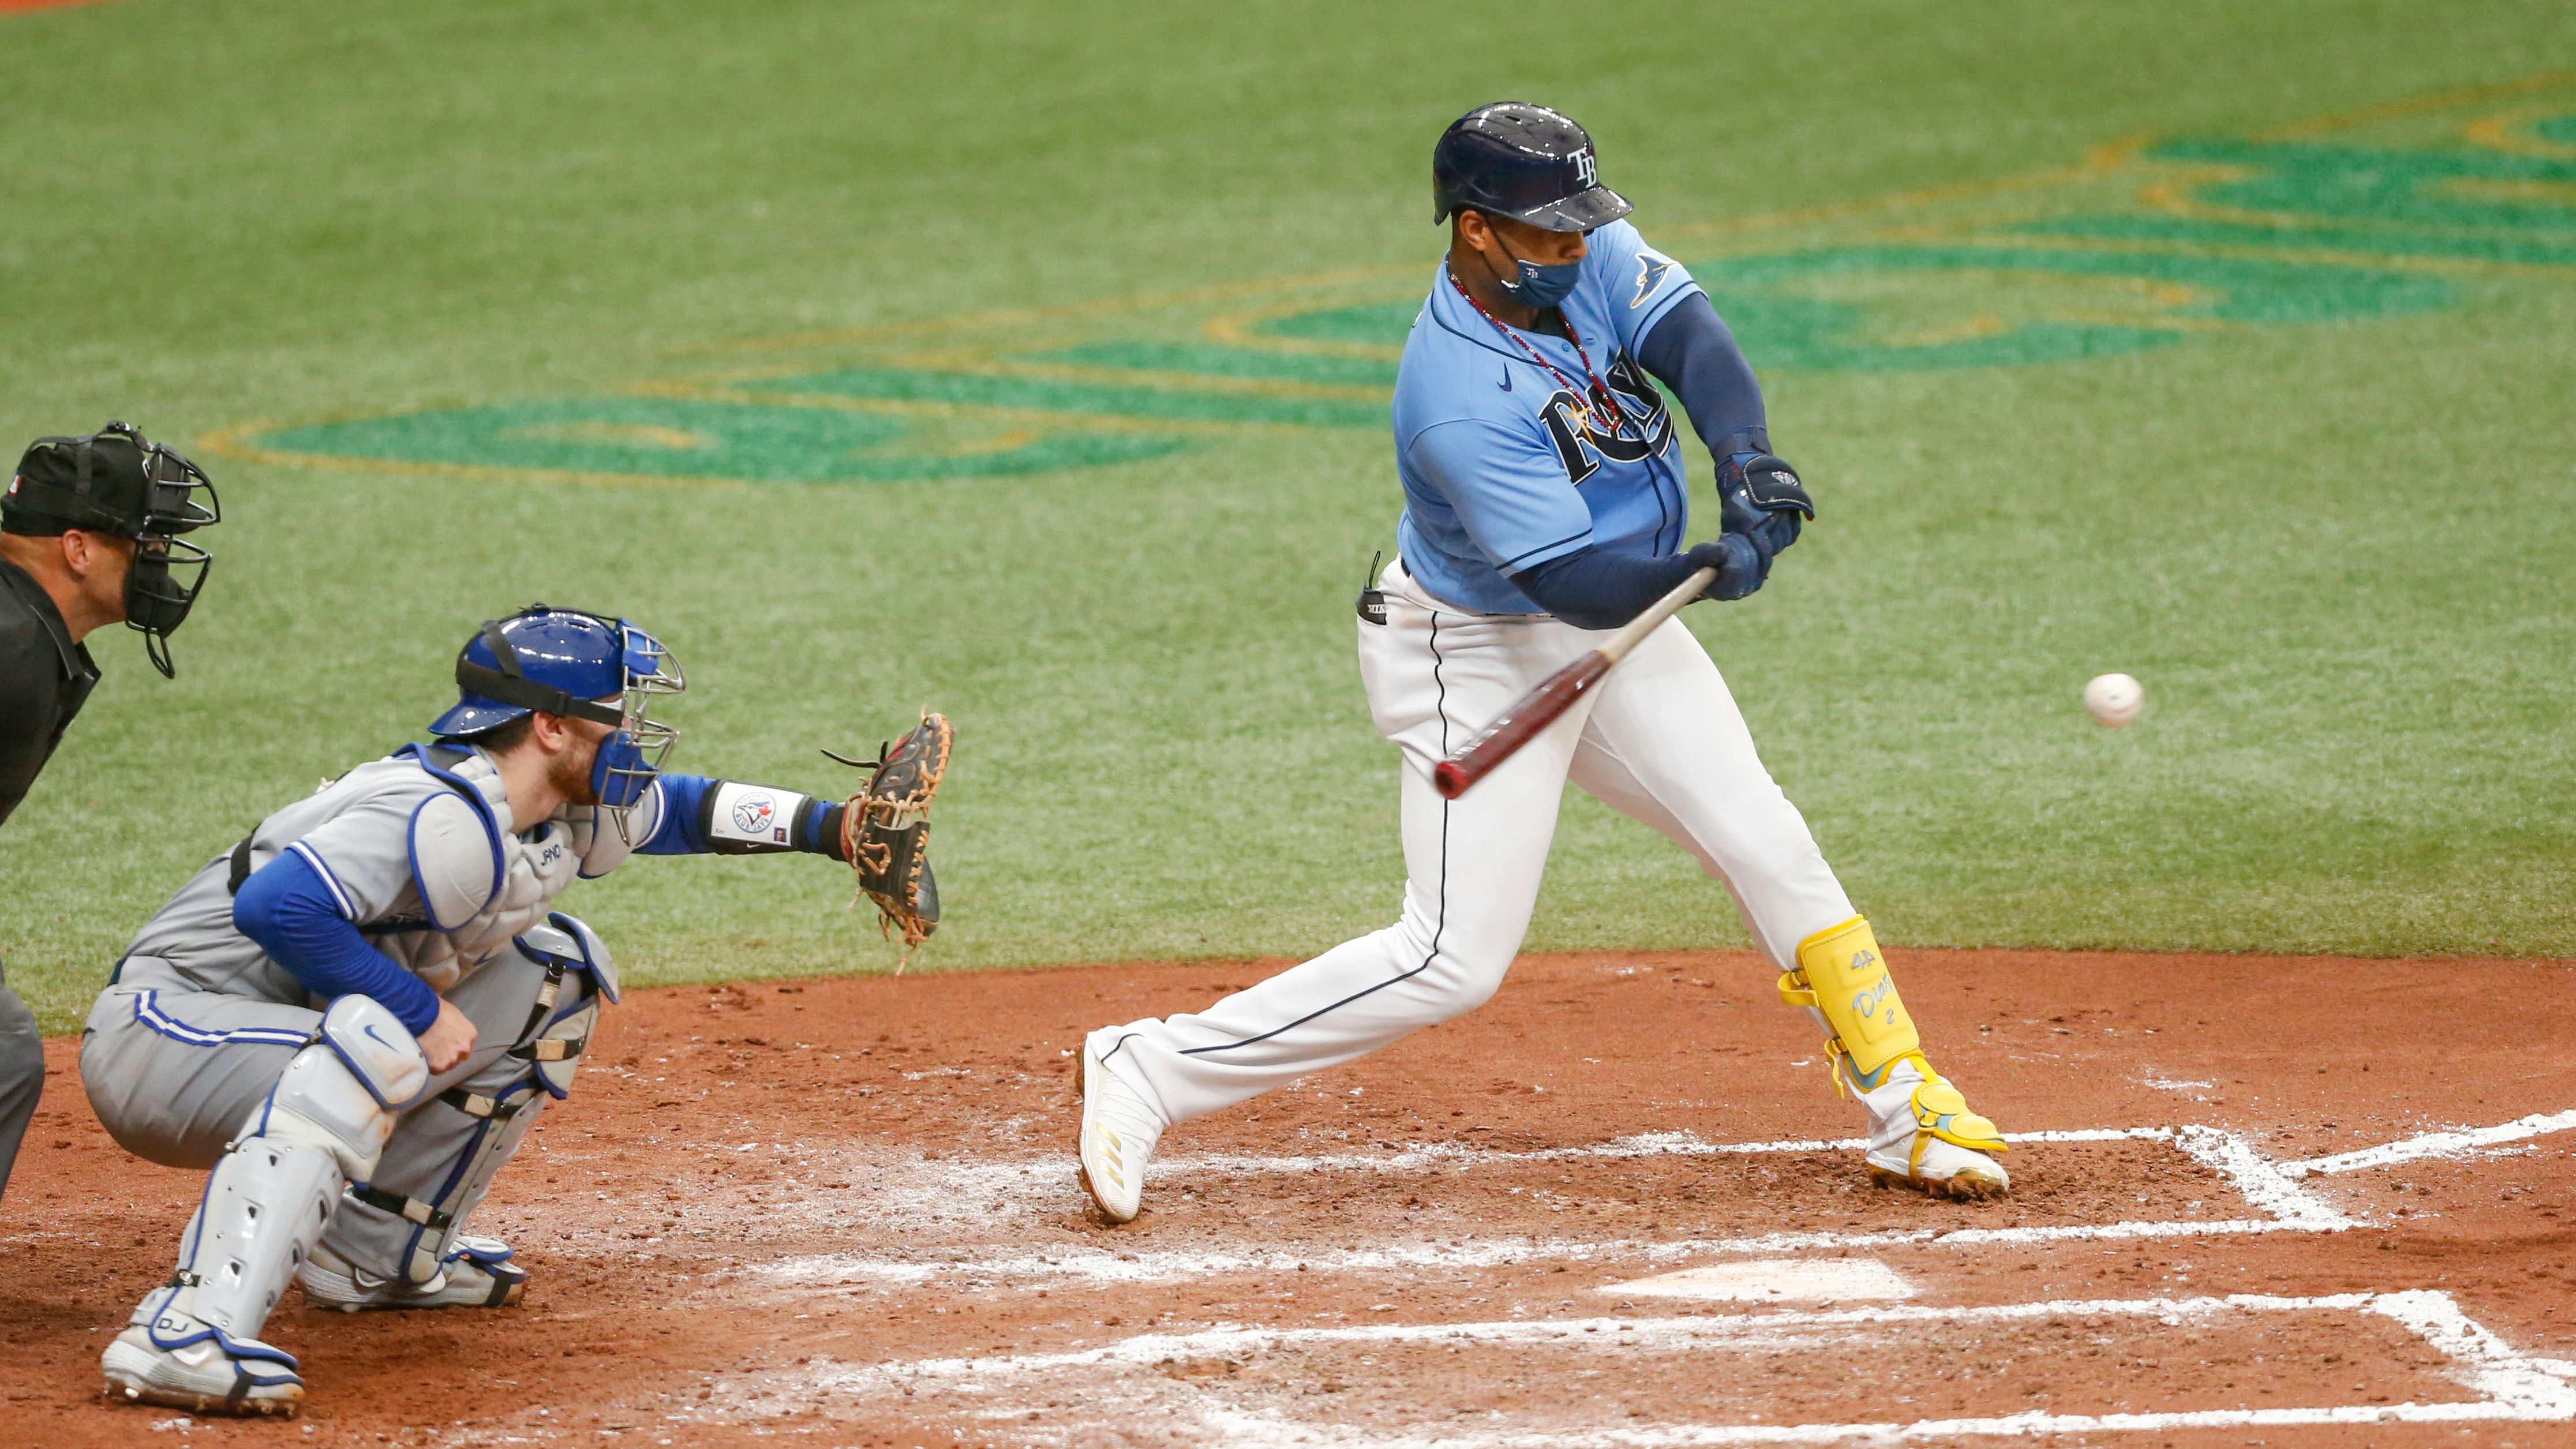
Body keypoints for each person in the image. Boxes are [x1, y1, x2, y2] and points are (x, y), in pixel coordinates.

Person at [1073, 102, 2008, 1225]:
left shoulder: (1576, 249)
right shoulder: (1452, 399)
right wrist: (1712, 564)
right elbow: (1566, 579)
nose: (1579, 246)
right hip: (1474, 647)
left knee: (1763, 833)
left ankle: (1905, 1097)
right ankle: (1147, 1064)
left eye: (1582, 227)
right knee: (1450, 959)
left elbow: (1692, 340)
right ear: (1476, 231)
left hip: (1615, 614)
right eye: (1549, 233)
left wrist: (1747, 459)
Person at [84, 605, 949, 1416]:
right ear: (550, 726)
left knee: (557, 972)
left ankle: (374, 1255)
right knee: (377, 1034)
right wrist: (415, 1005)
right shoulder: (423, 807)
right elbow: (276, 907)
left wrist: (836, 827)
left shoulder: (555, 806)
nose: (633, 730)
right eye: (616, 711)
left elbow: (682, 809)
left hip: (278, 1043)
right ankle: (187, 1333)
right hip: (167, 1036)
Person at [0, 422, 222, 1209]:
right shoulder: (13, 653)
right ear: (78, 549)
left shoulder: (25, 630)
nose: (162, 564)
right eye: (149, 545)